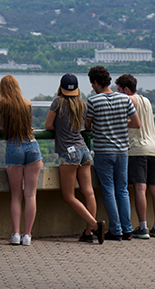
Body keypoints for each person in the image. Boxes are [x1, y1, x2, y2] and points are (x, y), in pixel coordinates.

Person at [45, 73, 105, 244]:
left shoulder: (58, 102)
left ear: (61, 88)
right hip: (84, 150)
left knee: (69, 196)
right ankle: (88, 233)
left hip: (68, 152)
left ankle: (94, 225)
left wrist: (59, 129)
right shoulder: (82, 104)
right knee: (88, 192)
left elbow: (48, 125)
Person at [85, 66, 140, 241]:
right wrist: (121, 124)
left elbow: (87, 126)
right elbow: (136, 123)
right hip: (122, 150)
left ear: (95, 82)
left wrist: (101, 126)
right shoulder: (124, 100)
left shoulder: (93, 101)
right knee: (122, 190)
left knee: (108, 191)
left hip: (103, 151)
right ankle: (127, 229)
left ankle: (115, 230)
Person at [0, 74, 43, 246]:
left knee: (16, 195)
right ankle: (27, 235)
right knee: (30, 194)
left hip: (14, 146)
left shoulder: (2, 102)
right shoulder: (27, 103)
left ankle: (15, 234)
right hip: (31, 146)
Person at [115, 74, 155, 239]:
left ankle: (142, 227)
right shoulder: (147, 101)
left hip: (137, 150)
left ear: (126, 89)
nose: (118, 93)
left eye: (119, 90)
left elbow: (128, 122)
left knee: (139, 189)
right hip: (153, 149)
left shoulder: (128, 101)